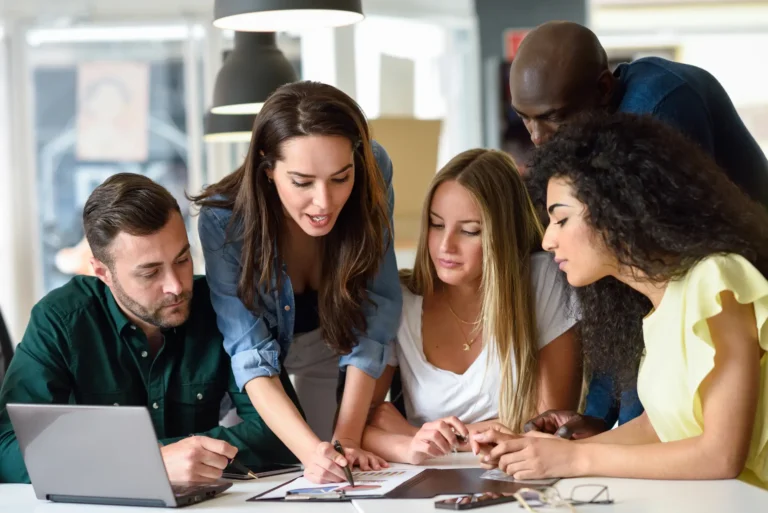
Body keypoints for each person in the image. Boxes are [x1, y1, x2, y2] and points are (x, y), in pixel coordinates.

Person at [473, 113, 768, 489]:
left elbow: (721, 455)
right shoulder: (657, 305)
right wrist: (536, 449)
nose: (547, 241)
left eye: (560, 220)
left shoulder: (715, 282)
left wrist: (574, 457)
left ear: (617, 210)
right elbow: (660, 427)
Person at [509, 20, 768, 436]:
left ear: (604, 90)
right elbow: (615, 292)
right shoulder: (594, 137)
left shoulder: (660, 109)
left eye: (554, 117)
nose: (538, 138)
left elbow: (642, 290)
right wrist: (597, 416)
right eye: (525, 119)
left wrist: (617, 429)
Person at [0, 173, 294, 484]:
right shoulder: (60, 320)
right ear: (102, 272)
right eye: (150, 272)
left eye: (182, 259)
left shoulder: (220, 308)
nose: (176, 286)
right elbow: (7, 448)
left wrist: (177, 458)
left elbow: (282, 433)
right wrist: (146, 462)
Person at [192, 81, 402, 484]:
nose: (324, 202)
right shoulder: (224, 220)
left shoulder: (375, 170)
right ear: (267, 169)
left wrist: (346, 438)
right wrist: (312, 454)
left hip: (338, 342)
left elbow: (378, 306)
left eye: (341, 178)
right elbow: (250, 354)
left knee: (344, 470)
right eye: (302, 182)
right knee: (281, 472)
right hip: (263, 371)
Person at [361, 149, 581, 465]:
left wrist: (415, 434)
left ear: (502, 234)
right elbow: (360, 426)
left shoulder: (543, 280)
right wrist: (409, 446)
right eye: (436, 225)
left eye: (469, 231)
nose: (445, 246)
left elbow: (547, 426)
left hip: (519, 475)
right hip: (427, 479)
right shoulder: (402, 299)